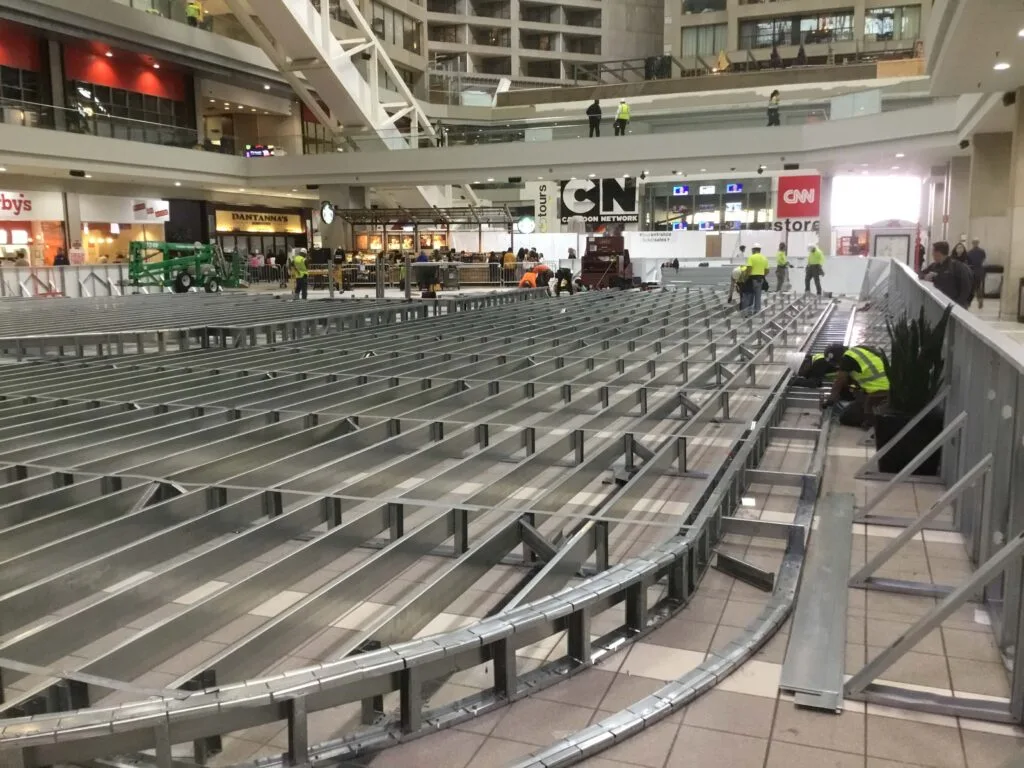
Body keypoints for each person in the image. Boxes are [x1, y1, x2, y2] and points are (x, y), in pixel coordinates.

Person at [821, 343, 890, 428]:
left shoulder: (847, 358)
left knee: (846, 417)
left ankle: (871, 422)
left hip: (878, 393)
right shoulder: (860, 352)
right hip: (889, 389)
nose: (838, 366)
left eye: (837, 363)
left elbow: (840, 381)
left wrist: (830, 400)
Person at [920, 240, 973, 308]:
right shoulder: (934, 265)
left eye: (933, 252)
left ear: (938, 253)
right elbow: (920, 274)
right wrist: (926, 276)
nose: (932, 254)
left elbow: (966, 287)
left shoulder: (956, 267)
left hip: (954, 304)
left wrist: (958, 305)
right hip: (941, 302)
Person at [745, 243, 769, 314]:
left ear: (753, 250)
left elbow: (749, 269)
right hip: (760, 280)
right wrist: (762, 275)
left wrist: (746, 278)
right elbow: (767, 270)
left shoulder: (751, 257)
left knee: (750, 296)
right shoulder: (764, 258)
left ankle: (749, 311)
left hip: (752, 279)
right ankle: (757, 311)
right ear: (760, 250)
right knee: (758, 296)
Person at [965, 238, 987, 308]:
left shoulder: (969, 252)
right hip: (979, 270)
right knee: (978, 287)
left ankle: (969, 302)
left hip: (972, 270)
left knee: (971, 287)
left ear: (972, 243)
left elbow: (967, 262)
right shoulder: (982, 251)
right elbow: (983, 259)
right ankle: (980, 300)